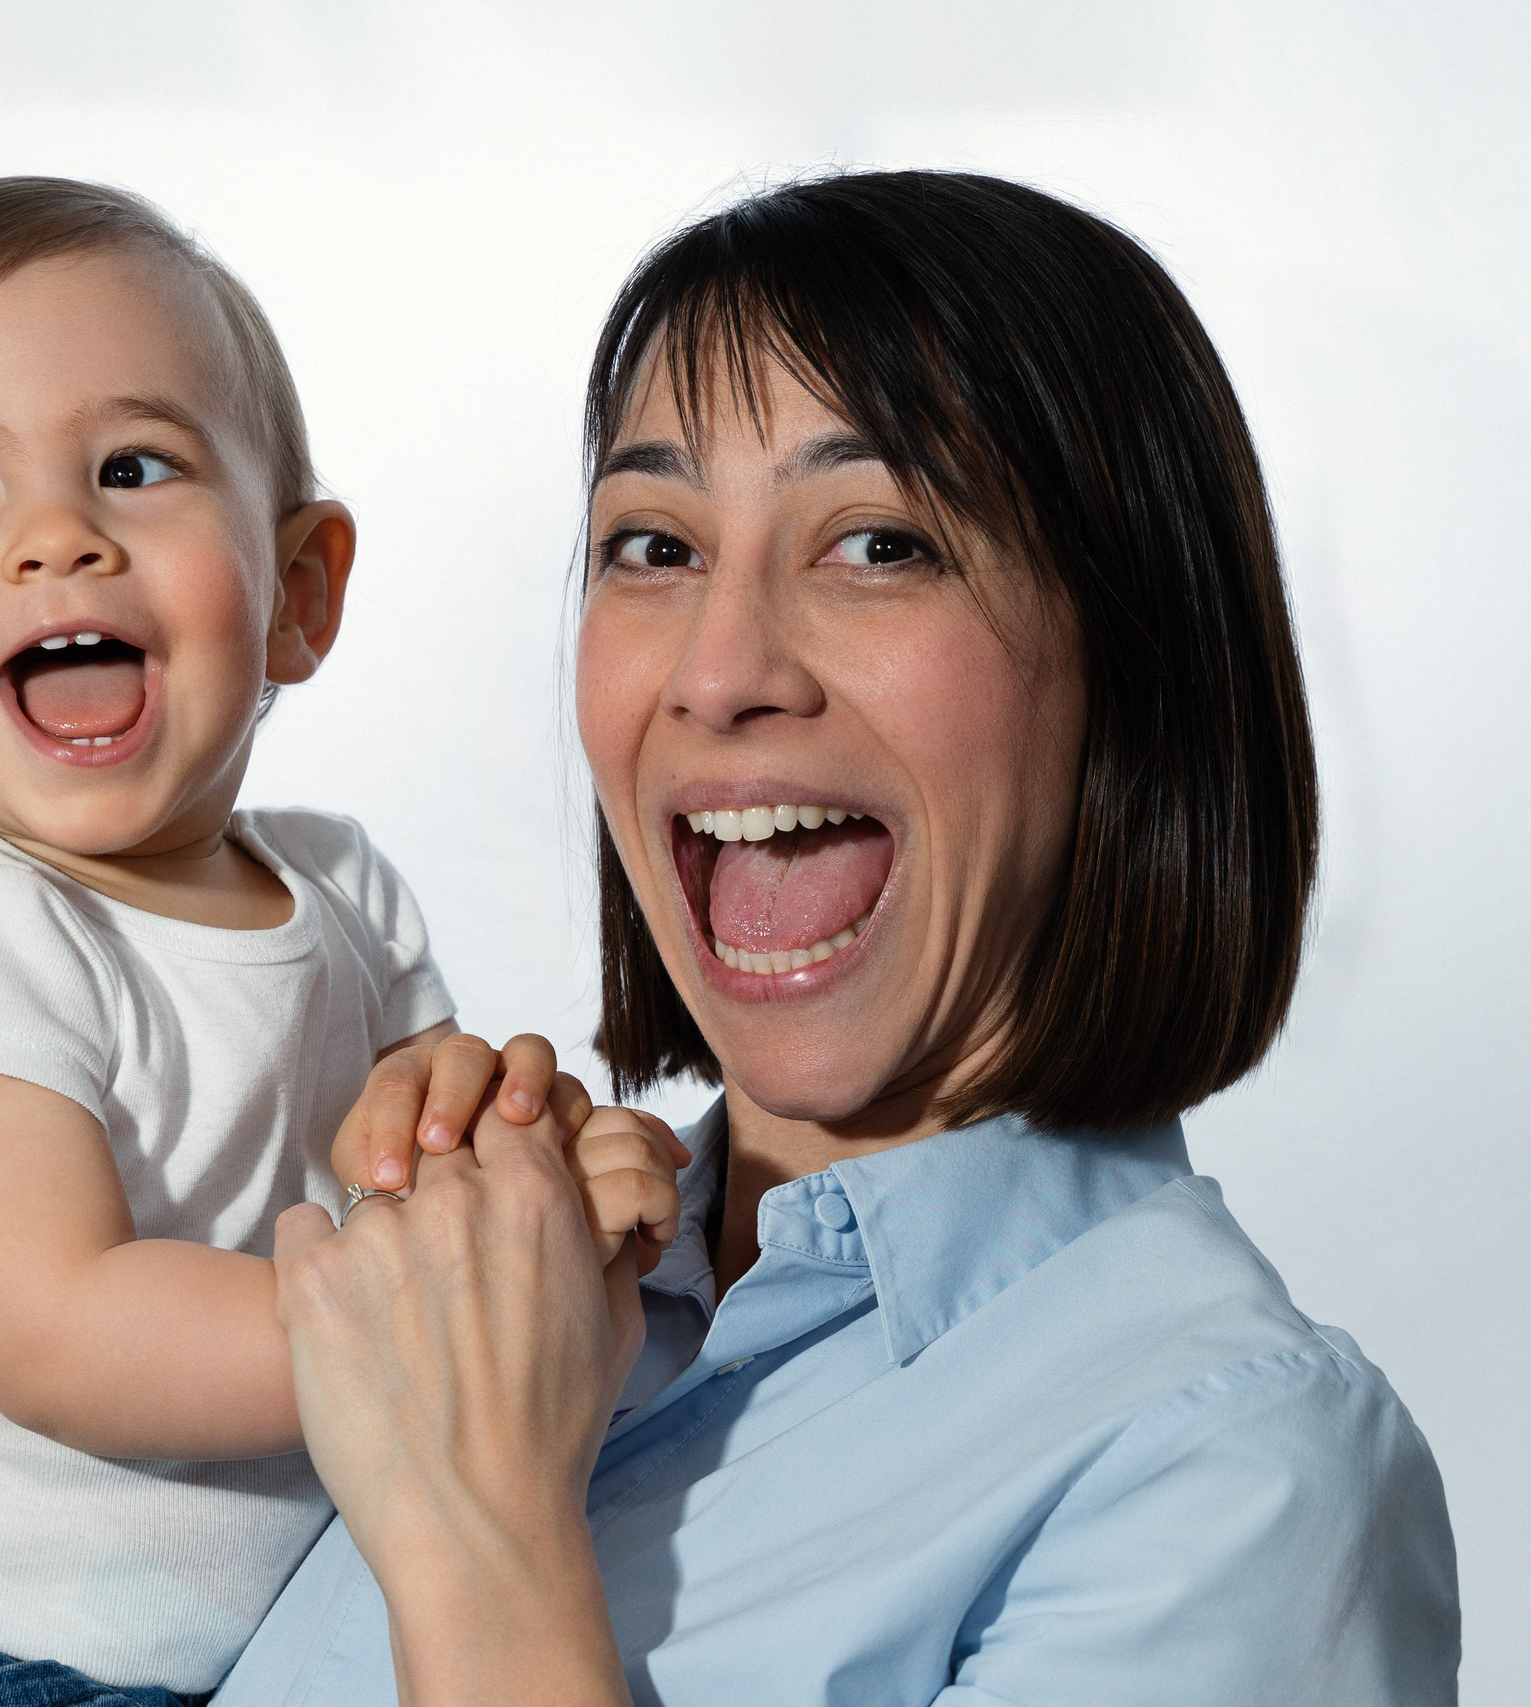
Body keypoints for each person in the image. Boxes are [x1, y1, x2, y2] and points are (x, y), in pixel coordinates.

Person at [227, 170, 1463, 1704]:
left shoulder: (1235, 1472)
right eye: (654, 546)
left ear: (1137, 672)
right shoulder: (514, 1277)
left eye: (877, 542)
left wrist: (480, 1529)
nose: (720, 670)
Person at [0, 177, 681, 1706]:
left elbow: (412, 1170)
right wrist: (448, 1322)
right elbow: (65, 1333)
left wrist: (530, 1172)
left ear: (298, 594)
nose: (55, 538)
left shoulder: (345, 893)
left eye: (133, 466)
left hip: (214, 1661)